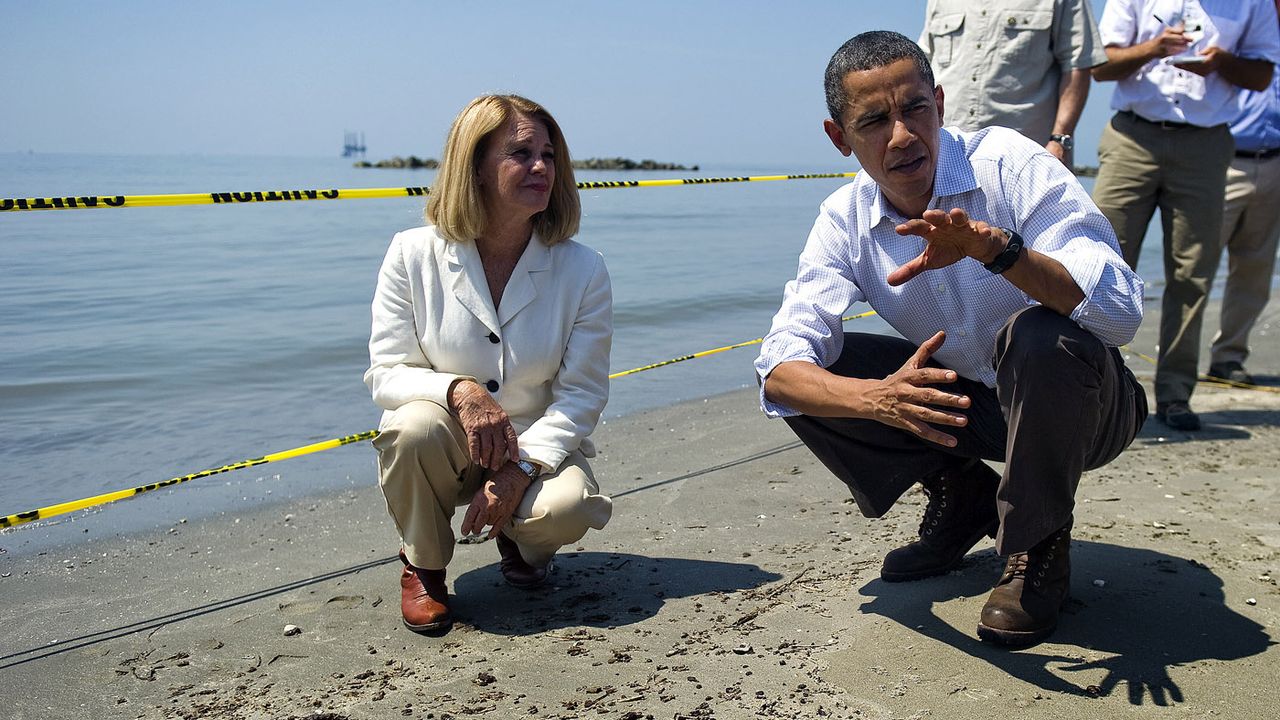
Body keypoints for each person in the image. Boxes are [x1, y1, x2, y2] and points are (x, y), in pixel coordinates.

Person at [755, 31, 1147, 646]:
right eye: (875, 121)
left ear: (939, 103)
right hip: (976, 406)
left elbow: (1121, 314)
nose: (903, 136)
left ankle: (1035, 547)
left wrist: (999, 251)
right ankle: (963, 496)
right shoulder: (844, 218)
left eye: (915, 109)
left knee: (1040, 334)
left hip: (1090, 404)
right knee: (825, 372)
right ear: (839, 138)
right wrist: (875, 400)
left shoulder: (1010, 164)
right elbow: (779, 364)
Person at [365, 94, 614, 633]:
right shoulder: (411, 253)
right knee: (411, 425)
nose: (542, 167)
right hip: (447, 441)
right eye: (521, 153)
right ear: (473, 165)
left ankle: (523, 545)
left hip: (534, 444)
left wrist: (519, 467)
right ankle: (423, 567)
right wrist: (460, 390)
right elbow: (386, 373)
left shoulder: (584, 269)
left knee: (565, 509)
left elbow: (583, 395)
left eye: (549, 155)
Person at [1089, 0, 1280, 430]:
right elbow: (1101, 65)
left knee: (1192, 273)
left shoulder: (1252, 4)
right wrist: (1154, 48)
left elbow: (1263, 74)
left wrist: (1222, 62)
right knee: (1099, 263)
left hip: (1206, 144)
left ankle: (1175, 394)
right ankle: (1094, 389)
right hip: (1132, 137)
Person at [918, 0, 1107, 167]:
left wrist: (1059, 140)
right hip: (945, 153)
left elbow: (1077, 65)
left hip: (1025, 160)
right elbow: (921, 67)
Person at [1208, 19, 1280, 386]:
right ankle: (1176, 366)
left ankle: (1228, 357)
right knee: (1195, 266)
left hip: (1275, 163)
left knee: (1254, 269)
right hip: (1223, 158)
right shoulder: (1235, 25)